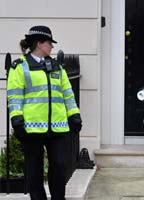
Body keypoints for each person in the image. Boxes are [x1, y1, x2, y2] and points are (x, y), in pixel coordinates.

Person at [7, 25, 82, 200]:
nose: (52, 47)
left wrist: (74, 115)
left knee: (59, 165)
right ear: (39, 43)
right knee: (34, 170)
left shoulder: (57, 67)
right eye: (49, 43)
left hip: (57, 128)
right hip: (31, 128)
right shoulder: (20, 67)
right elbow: (15, 96)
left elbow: (67, 94)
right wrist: (17, 119)